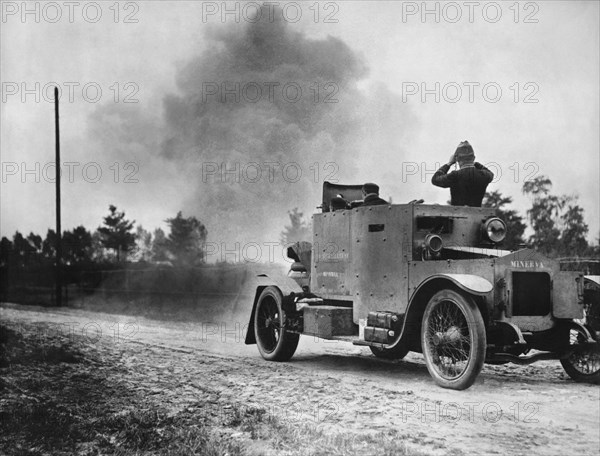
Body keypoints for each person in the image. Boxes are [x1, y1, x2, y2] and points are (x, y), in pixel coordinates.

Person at [431, 141, 493, 207]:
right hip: (477, 214)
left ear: (456, 159)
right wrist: (475, 163)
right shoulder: (484, 175)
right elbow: (490, 173)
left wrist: (449, 164)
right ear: (474, 158)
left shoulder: (455, 175)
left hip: (457, 214)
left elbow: (435, 179)